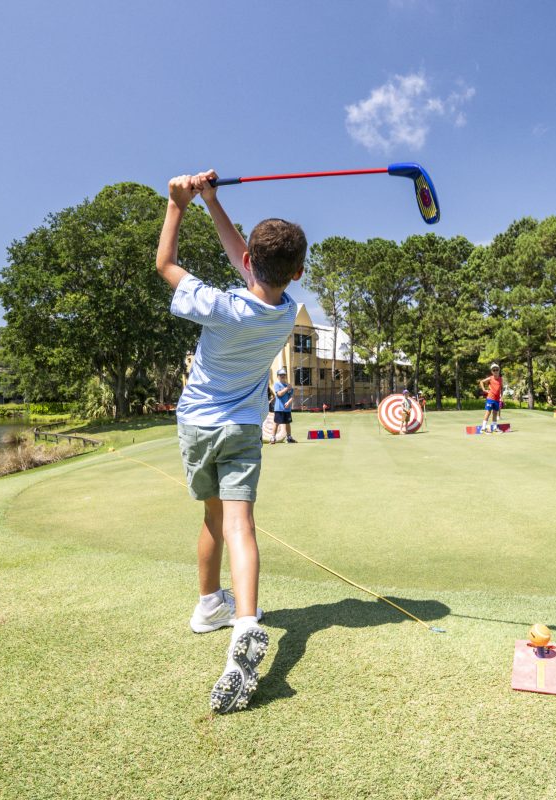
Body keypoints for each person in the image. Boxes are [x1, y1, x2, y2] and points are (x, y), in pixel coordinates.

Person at [156, 166, 307, 714]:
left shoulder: (220, 305)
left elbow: (165, 265)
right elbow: (245, 257)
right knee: (241, 525)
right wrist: (213, 203)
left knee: (212, 520)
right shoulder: (286, 311)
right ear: (298, 271)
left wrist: (178, 204)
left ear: (249, 263)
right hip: (243, 426)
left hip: (197, 423)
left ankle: (206, 607)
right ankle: (243, 619)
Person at [271, 368, 296, 443]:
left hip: (287, 409)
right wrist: (287, 388)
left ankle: (289, 437)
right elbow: (279, 394)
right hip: (279, 408)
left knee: (287, 423)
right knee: (276, 423)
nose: (282, 376)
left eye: (284, 375)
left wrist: (288, 402)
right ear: (277, 376)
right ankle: (273, 438)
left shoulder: (289, 386)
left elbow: (291, 396)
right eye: (281, 375)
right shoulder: (277, 384)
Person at [477, 363, 504, 433]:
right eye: (494, 370)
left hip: (497, 399)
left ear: (499, 370)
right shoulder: (490, 378)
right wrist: (484, 390)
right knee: (488, 412)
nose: (495, 371)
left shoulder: (501, 379)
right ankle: (483, 428)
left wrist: (502, 396)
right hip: (490, 398)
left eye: (497, 370)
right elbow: (481, 382)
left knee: (495, 413)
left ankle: (495, 428)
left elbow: (501, 388)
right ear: (492, 371)